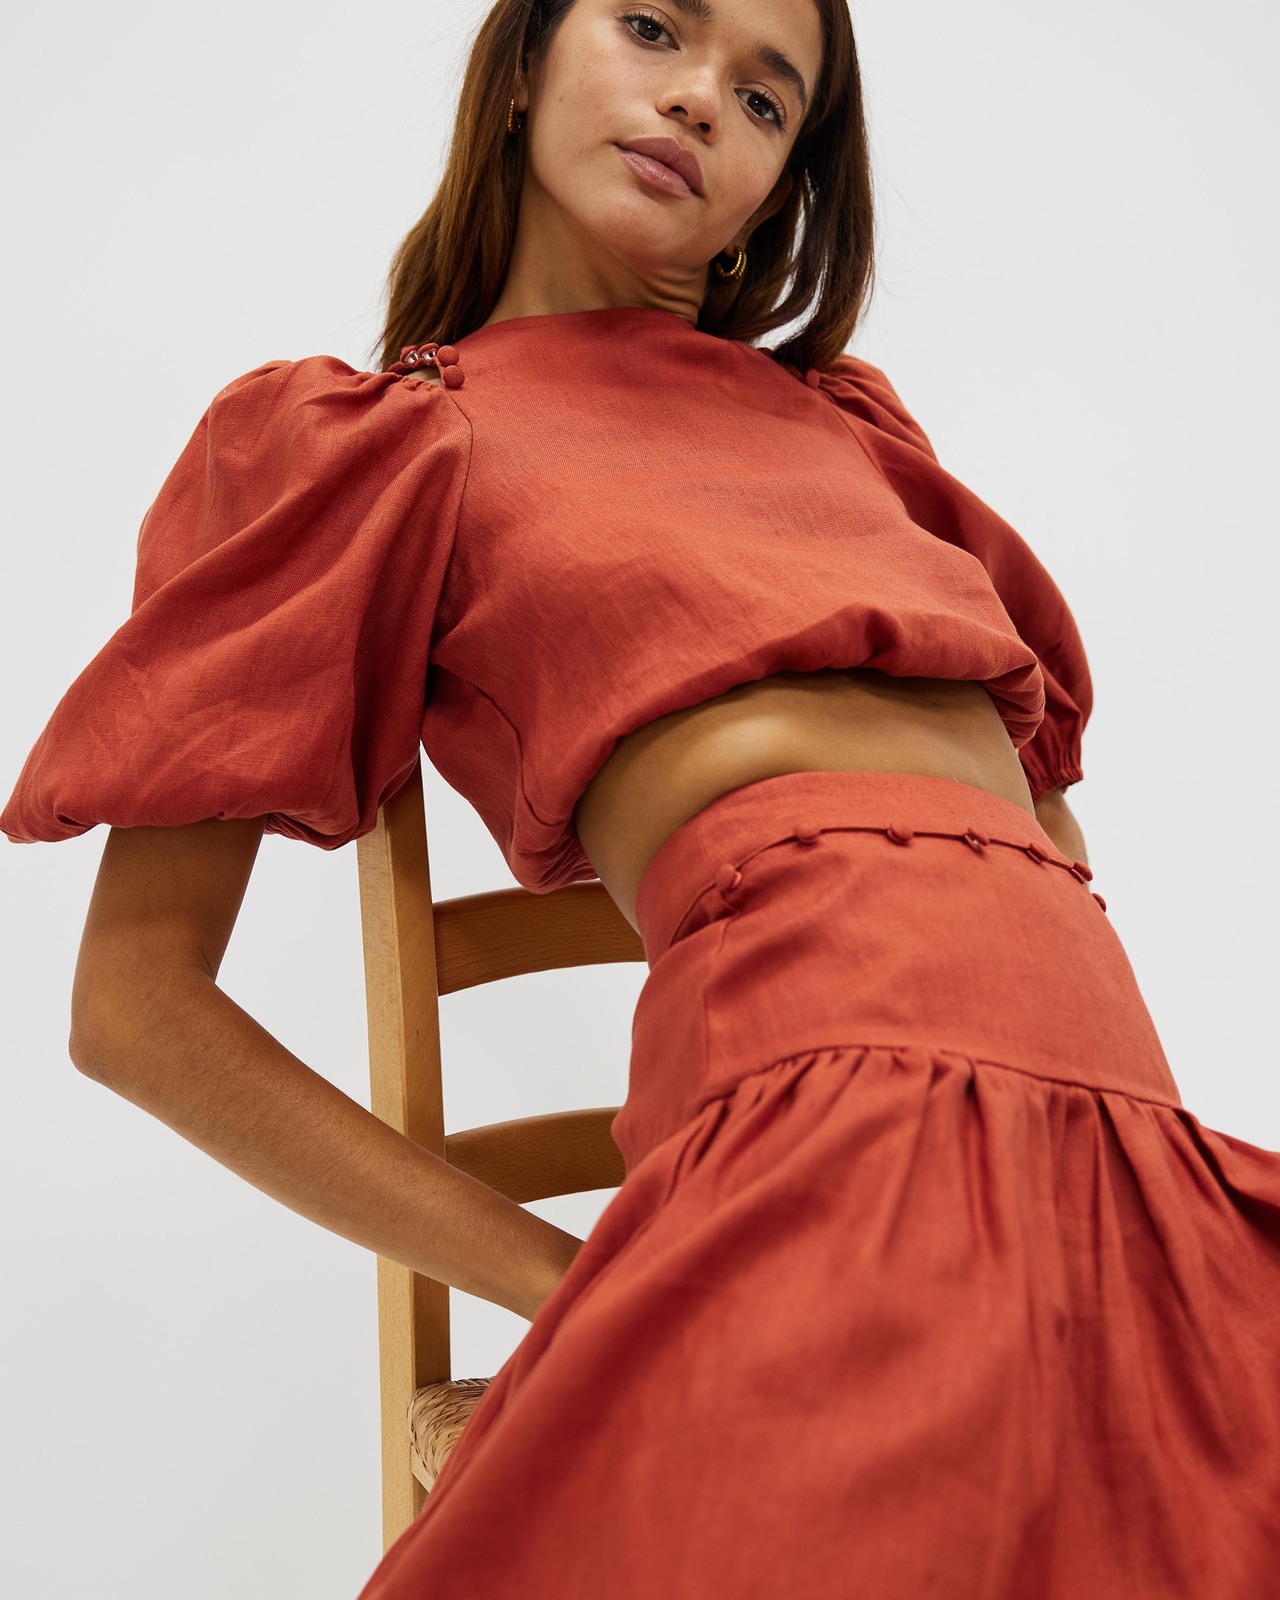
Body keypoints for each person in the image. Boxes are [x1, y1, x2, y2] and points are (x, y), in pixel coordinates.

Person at [4, 0, 1278, 1594]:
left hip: (1125, 1146)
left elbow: (1041, 821)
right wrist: (575, 1282)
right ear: (524, 58)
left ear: (780, 187)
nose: (700, 102)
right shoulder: (385, 443)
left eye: (767, 100)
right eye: (656, 27)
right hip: (821, 1113)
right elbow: (133, 1008)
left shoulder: (849, 429)